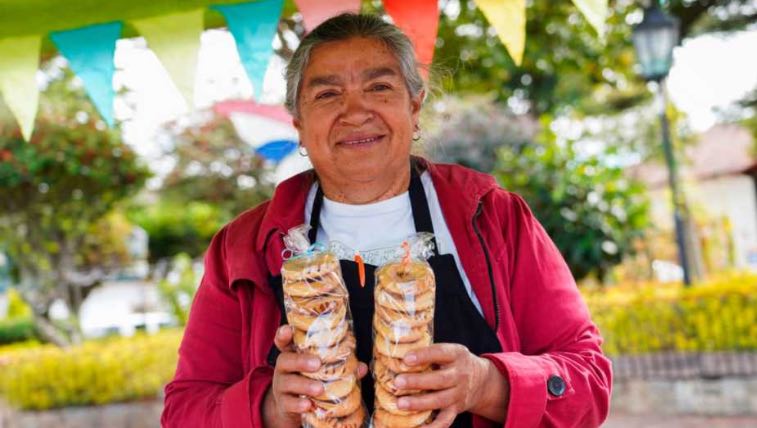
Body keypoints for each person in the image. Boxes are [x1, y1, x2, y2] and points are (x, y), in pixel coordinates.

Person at [161, 13, 612, 428]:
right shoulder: (242, 248)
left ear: (414, 107)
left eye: (379, 88)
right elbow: (183, 410)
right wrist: (269, 407)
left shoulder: (493, 218)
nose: (356, 112)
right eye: (327, 94)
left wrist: (485, 383)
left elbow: (589, 382)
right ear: (298, 124)